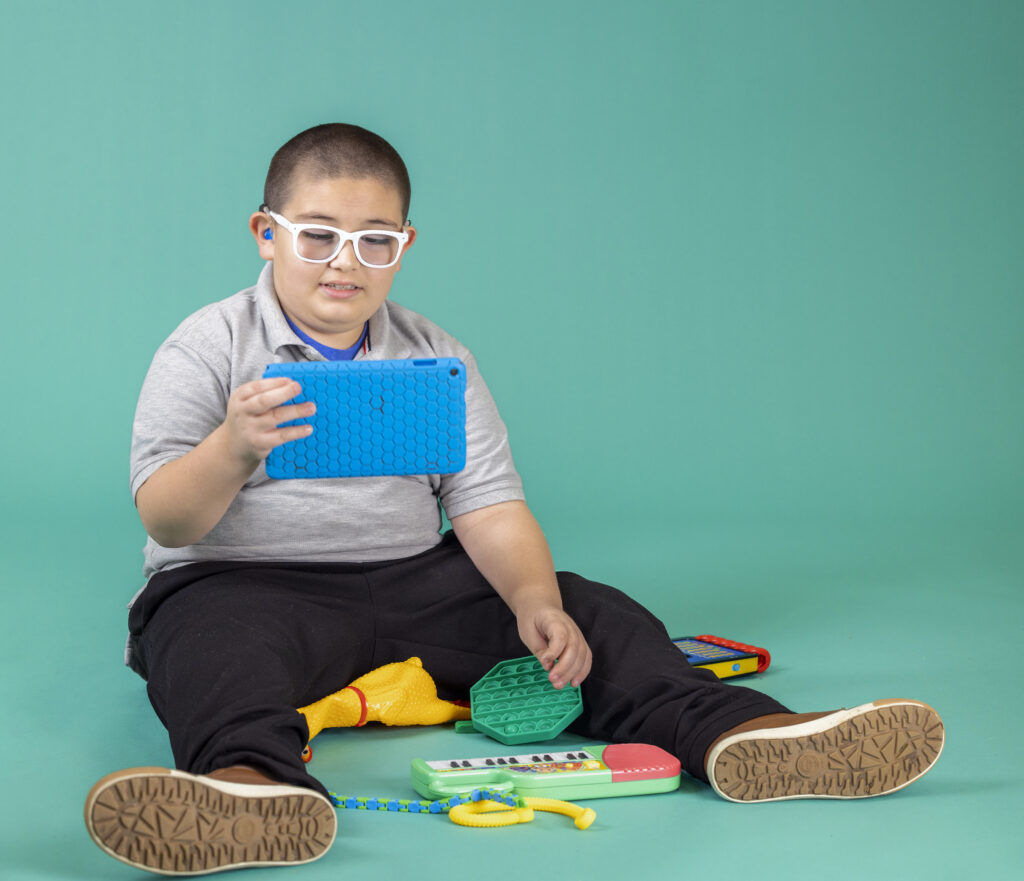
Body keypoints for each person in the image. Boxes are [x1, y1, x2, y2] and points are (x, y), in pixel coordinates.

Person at [84, 123, 944, 876]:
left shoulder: (433, 356)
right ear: (265, 234)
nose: (345, 262)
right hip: (245, 583)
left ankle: (740, 733)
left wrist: (534, 599)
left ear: (405, 246)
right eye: (317, 236)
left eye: (374, 240)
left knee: (589, 610)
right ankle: (249, 788)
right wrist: (233, 446)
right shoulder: (206, 346)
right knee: (207, 644)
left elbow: (489, 505)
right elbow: (167, 518)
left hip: (418, 579)